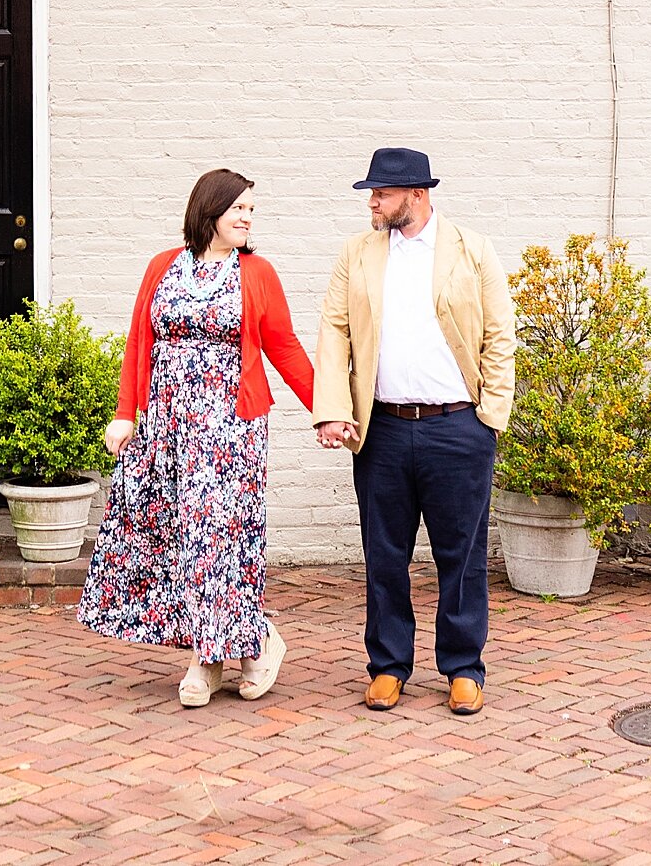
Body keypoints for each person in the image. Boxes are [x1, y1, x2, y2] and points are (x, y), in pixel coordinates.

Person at [77, 169, 314, 707]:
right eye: (239, 208)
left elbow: (286, 348)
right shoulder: (163, 267)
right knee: (178, 542)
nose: (248, 218)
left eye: (253, 210)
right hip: (167, 427)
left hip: (232, 429)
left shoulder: (257, 273)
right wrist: (124, 413)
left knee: (219, 541)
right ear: (209, 211)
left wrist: (328, 411)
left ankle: (206, 661)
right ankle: (255, 643)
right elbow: (140, 340)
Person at [313, 148, 516, 716]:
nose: (371, 202)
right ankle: (387, 666)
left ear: (417, 196)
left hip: (458, 427)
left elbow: (500, 336)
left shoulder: (471, 250)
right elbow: (333, 331)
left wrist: (490, 417)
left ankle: (462, 668)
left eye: (381, 192)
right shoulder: (357, 253)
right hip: (382, 430)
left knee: (462, 555)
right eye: (371, 192)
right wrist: (332, 407)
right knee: (383, 554)